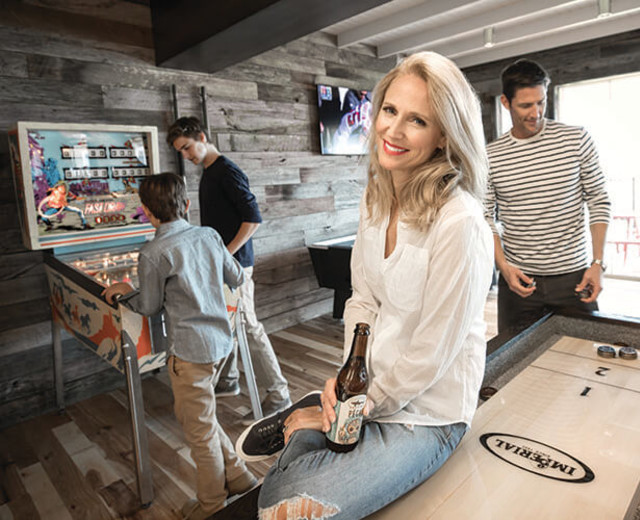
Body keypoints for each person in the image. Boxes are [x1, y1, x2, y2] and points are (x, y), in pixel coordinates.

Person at [234, 51, 494, 519]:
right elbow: (363, 299)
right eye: (390, 111)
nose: (393, 131)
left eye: (417, 120)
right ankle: (315, 415)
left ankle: (307, 420)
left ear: (442, 137)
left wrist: (362, 405)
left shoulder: (461, 222)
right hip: (369, 390)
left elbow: (433, 353)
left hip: (429, 413)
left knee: (281, 506)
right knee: (282, 504)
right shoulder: (375, 200)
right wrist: (349, 383)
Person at [101, 173, 257, 520]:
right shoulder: (209, 235)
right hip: (220, 344)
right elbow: (236, 275)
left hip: (189, 354)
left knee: (198, 432)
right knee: (201, 417)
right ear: (186, 204)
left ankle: (213, 505)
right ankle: (240, 477)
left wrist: (123, 290)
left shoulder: (153, 252)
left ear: (146, 212)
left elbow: (149, 305)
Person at [166, 117, 291, 418]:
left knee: (248, 326)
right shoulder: (209, 172)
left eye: (186, 148)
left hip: (238, 266)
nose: (185, 155)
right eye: (180, 151)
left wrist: (224, 254)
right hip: (224, 264)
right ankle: (229, 380)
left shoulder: (227, 172)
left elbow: (253, 220)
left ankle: (279, 394)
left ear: (202, 136)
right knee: (229, 321)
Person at [485, 59, 611, 334]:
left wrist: (598, 263)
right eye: (526, 105)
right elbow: (485, 217)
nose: (536, 112)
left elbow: (599, 200)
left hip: (574, 279)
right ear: (506, 102)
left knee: (583, 357)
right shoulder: (490, 156)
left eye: (541, 102)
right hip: (518, 282)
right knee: (513, 365)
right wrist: (503, 266)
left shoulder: (576, 139)